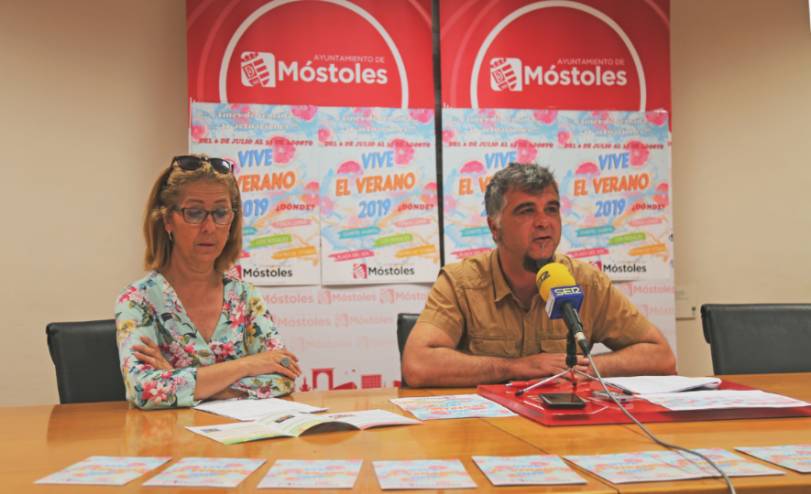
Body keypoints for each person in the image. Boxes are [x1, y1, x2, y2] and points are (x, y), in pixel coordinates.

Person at [402, 163, 676, 387]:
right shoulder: (460, 282)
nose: (544, 222)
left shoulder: (586, 281)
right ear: (495, 228)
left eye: (551, 209)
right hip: (485, 428)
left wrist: (585, 368)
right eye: (527, 211)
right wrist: (515, 368)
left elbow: (661, 356)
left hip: (564, 428)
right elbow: (417, 364)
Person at [115, 155, 301, 409]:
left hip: (241, 434)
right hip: (170, 434)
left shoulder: (245, 296)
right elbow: (145, 390)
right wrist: (247, 365)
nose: (209, 227)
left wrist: (179, 381)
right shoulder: (138, 300)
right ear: (167, 219)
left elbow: (283, 375)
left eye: (221, 213)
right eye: (194, 213)